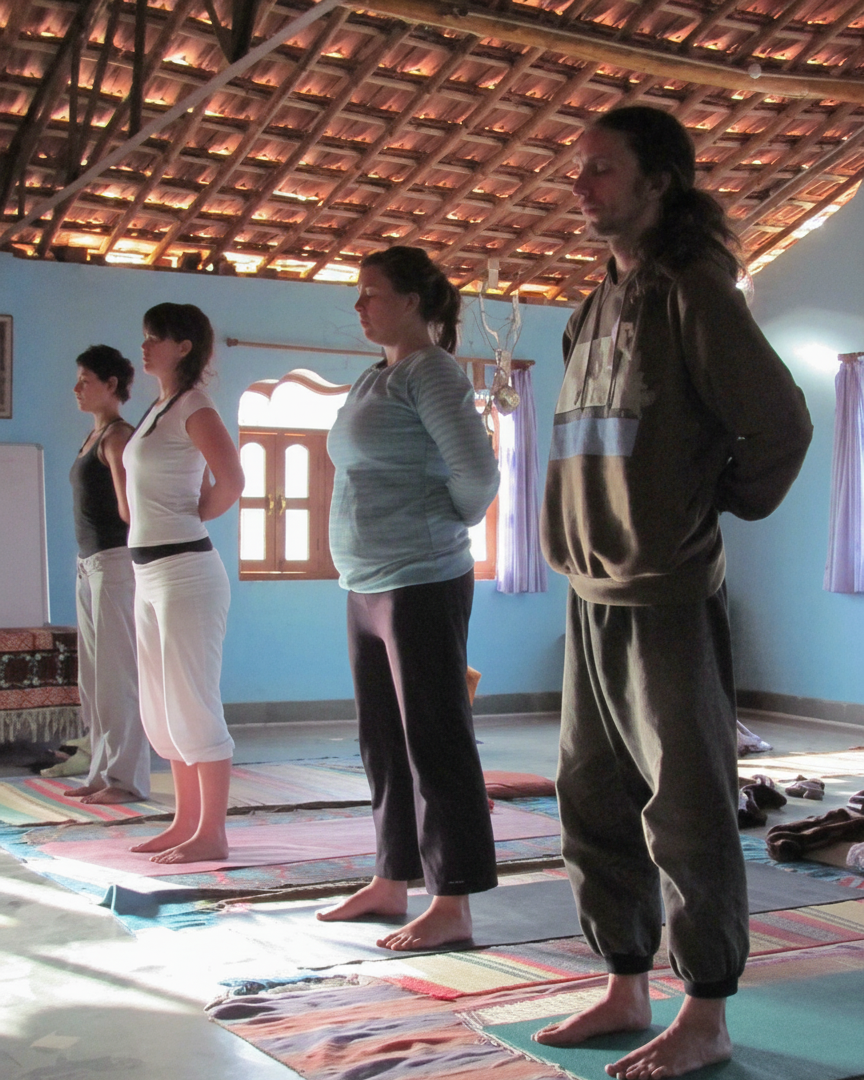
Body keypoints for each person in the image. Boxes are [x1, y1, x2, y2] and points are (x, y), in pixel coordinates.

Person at [535, 106, 813, 1078]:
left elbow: (779, 425)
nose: (580, 185)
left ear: (659, 182)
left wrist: (706, 507)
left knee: (687, 804)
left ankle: (706, 1012)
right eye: (578, 169)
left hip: (665, 593)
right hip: (589, 591)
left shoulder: (694, 291)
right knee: (591, 798)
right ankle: (624, 984)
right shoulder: (590, 311)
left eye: (601, 168)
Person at [320, 245, 500, 950]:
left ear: (413, 302)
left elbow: (478, 476)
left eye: (372, 293)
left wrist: (442, 522)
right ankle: (391, 879)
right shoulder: (375, 377)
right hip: (365, 582)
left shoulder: (432, 371)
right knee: (382, 740)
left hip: (421, 577)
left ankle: (452, 902)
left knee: (435, 737)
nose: (359, 305)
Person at [123, 303, 244, 864]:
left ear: (184, 347)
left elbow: (232, 479)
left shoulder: (195, 404)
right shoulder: (158, 408)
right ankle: (184, 822)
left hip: (186, 573)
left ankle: (212, 832)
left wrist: (195, 513)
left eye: (155, 338)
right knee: (162, 705)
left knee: (193, 701)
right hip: (147, 574)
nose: (144, 346)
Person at [66, 345, 151, 804]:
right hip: (89, 565)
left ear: (111, 385)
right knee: (95, 681)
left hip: (116, 564)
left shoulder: (117, 437)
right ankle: (101, 773)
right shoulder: (93, 435)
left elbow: (130, 508)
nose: (77, 388)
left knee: (118, 678)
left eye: (86, 380)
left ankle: (126, 780)